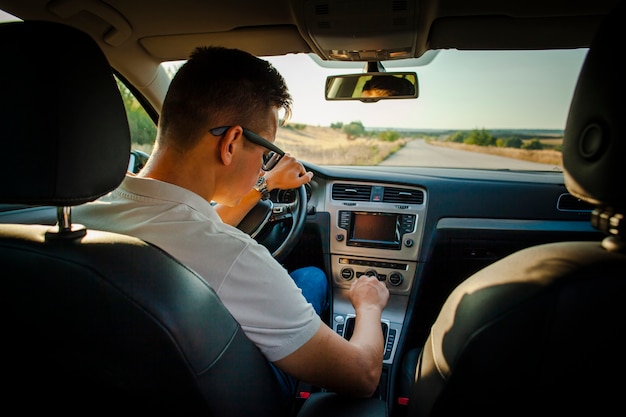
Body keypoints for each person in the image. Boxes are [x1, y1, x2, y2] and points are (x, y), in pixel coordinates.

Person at [74, 45, 390, 400]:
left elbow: (191, 224)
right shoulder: (233, 257)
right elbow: (364, 375)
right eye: (265, 153)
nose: (263, 167)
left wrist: (265, 184)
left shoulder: (70, 220)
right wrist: (369, 304)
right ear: (231, 143)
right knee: (314, 278)